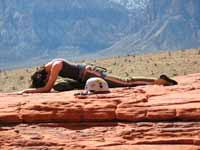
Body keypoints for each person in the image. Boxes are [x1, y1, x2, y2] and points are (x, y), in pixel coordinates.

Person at [20, 59, 178, 93]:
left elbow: (47, 88)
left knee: (125, 82)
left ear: (44, 75)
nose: (49, 80)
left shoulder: (55, 66)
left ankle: (159, 81)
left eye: (45, 79)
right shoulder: (53, 63)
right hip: (86, 75)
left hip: (91, 73)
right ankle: (159, 81)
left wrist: (29, 92)